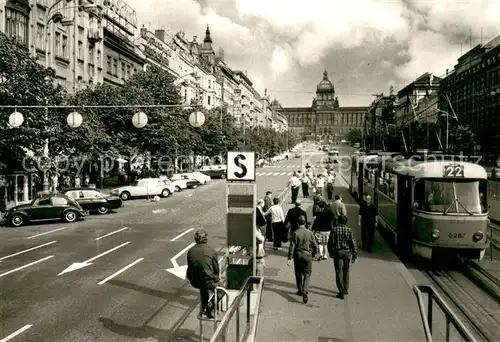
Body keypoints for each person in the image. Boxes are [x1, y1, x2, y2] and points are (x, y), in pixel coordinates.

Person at [187, 229, 224, 319]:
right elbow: (216, 269)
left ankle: (203, 307)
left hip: (194, 280)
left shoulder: (190, 251)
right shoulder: (211, 251)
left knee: (203, 287)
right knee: (222, 290)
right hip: (207, 280)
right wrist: (216, 278)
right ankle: (209, 307)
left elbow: (190, 266)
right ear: (206, 238)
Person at [287, 215, 319, 304]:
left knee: (298, 273)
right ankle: (305, 290)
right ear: (305, 223)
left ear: (298, 223)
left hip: (298, 254)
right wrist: (313, 254)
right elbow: (315, 246)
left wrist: (289, 257)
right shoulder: (309, 233)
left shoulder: (295, 233)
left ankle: (300, 290)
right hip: (307, 255)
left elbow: (291, 246)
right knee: (307, 274)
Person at [327, 215, 358, 299]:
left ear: (338, 221)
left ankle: (341, 291)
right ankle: (345, 288)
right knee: (346, 270)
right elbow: (353, 243)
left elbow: (330, 242)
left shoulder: (334, 230)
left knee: (338, 271)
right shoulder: (349, 230)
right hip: (347, 253)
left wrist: (330, 252)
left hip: (337, 253)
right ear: (346, 221)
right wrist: (354, 254)